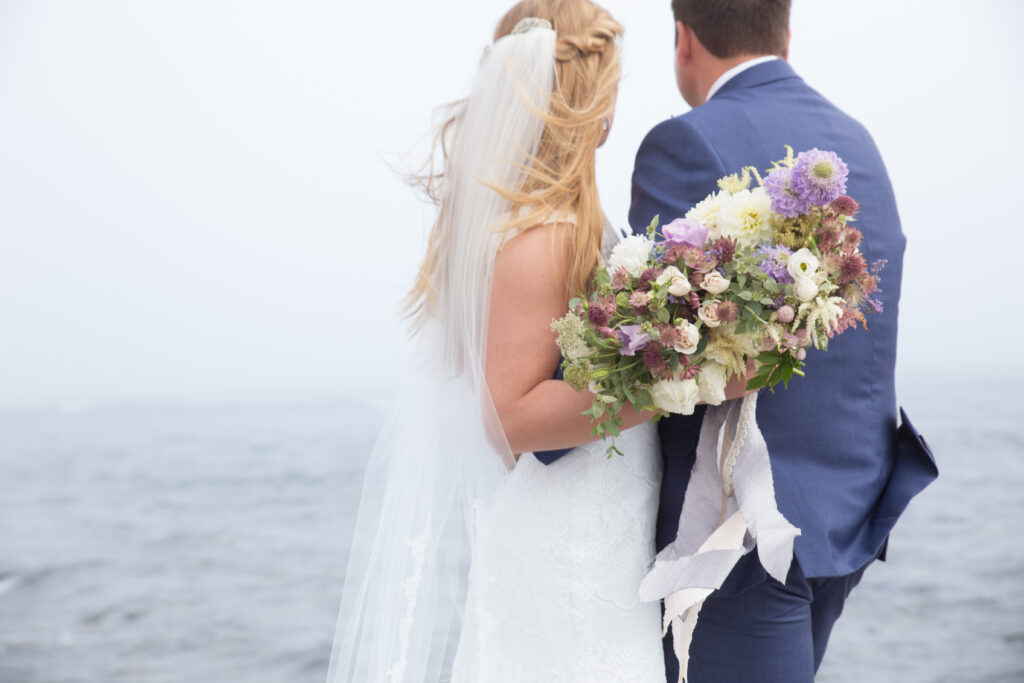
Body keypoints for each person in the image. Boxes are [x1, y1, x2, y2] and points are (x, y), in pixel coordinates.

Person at [326, 2, 750, 681]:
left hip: (601, 533)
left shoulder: (553, 220)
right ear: (590, 98)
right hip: (570, 548)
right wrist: (690, 376)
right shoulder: (541, 235)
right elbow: (512, 418)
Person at [626, 1, 939, 681]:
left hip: (739, 538)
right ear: (785, 31)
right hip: (850, 516)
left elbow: (655, 347)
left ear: (683, 40)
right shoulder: (857, 145)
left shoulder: (684, 142)